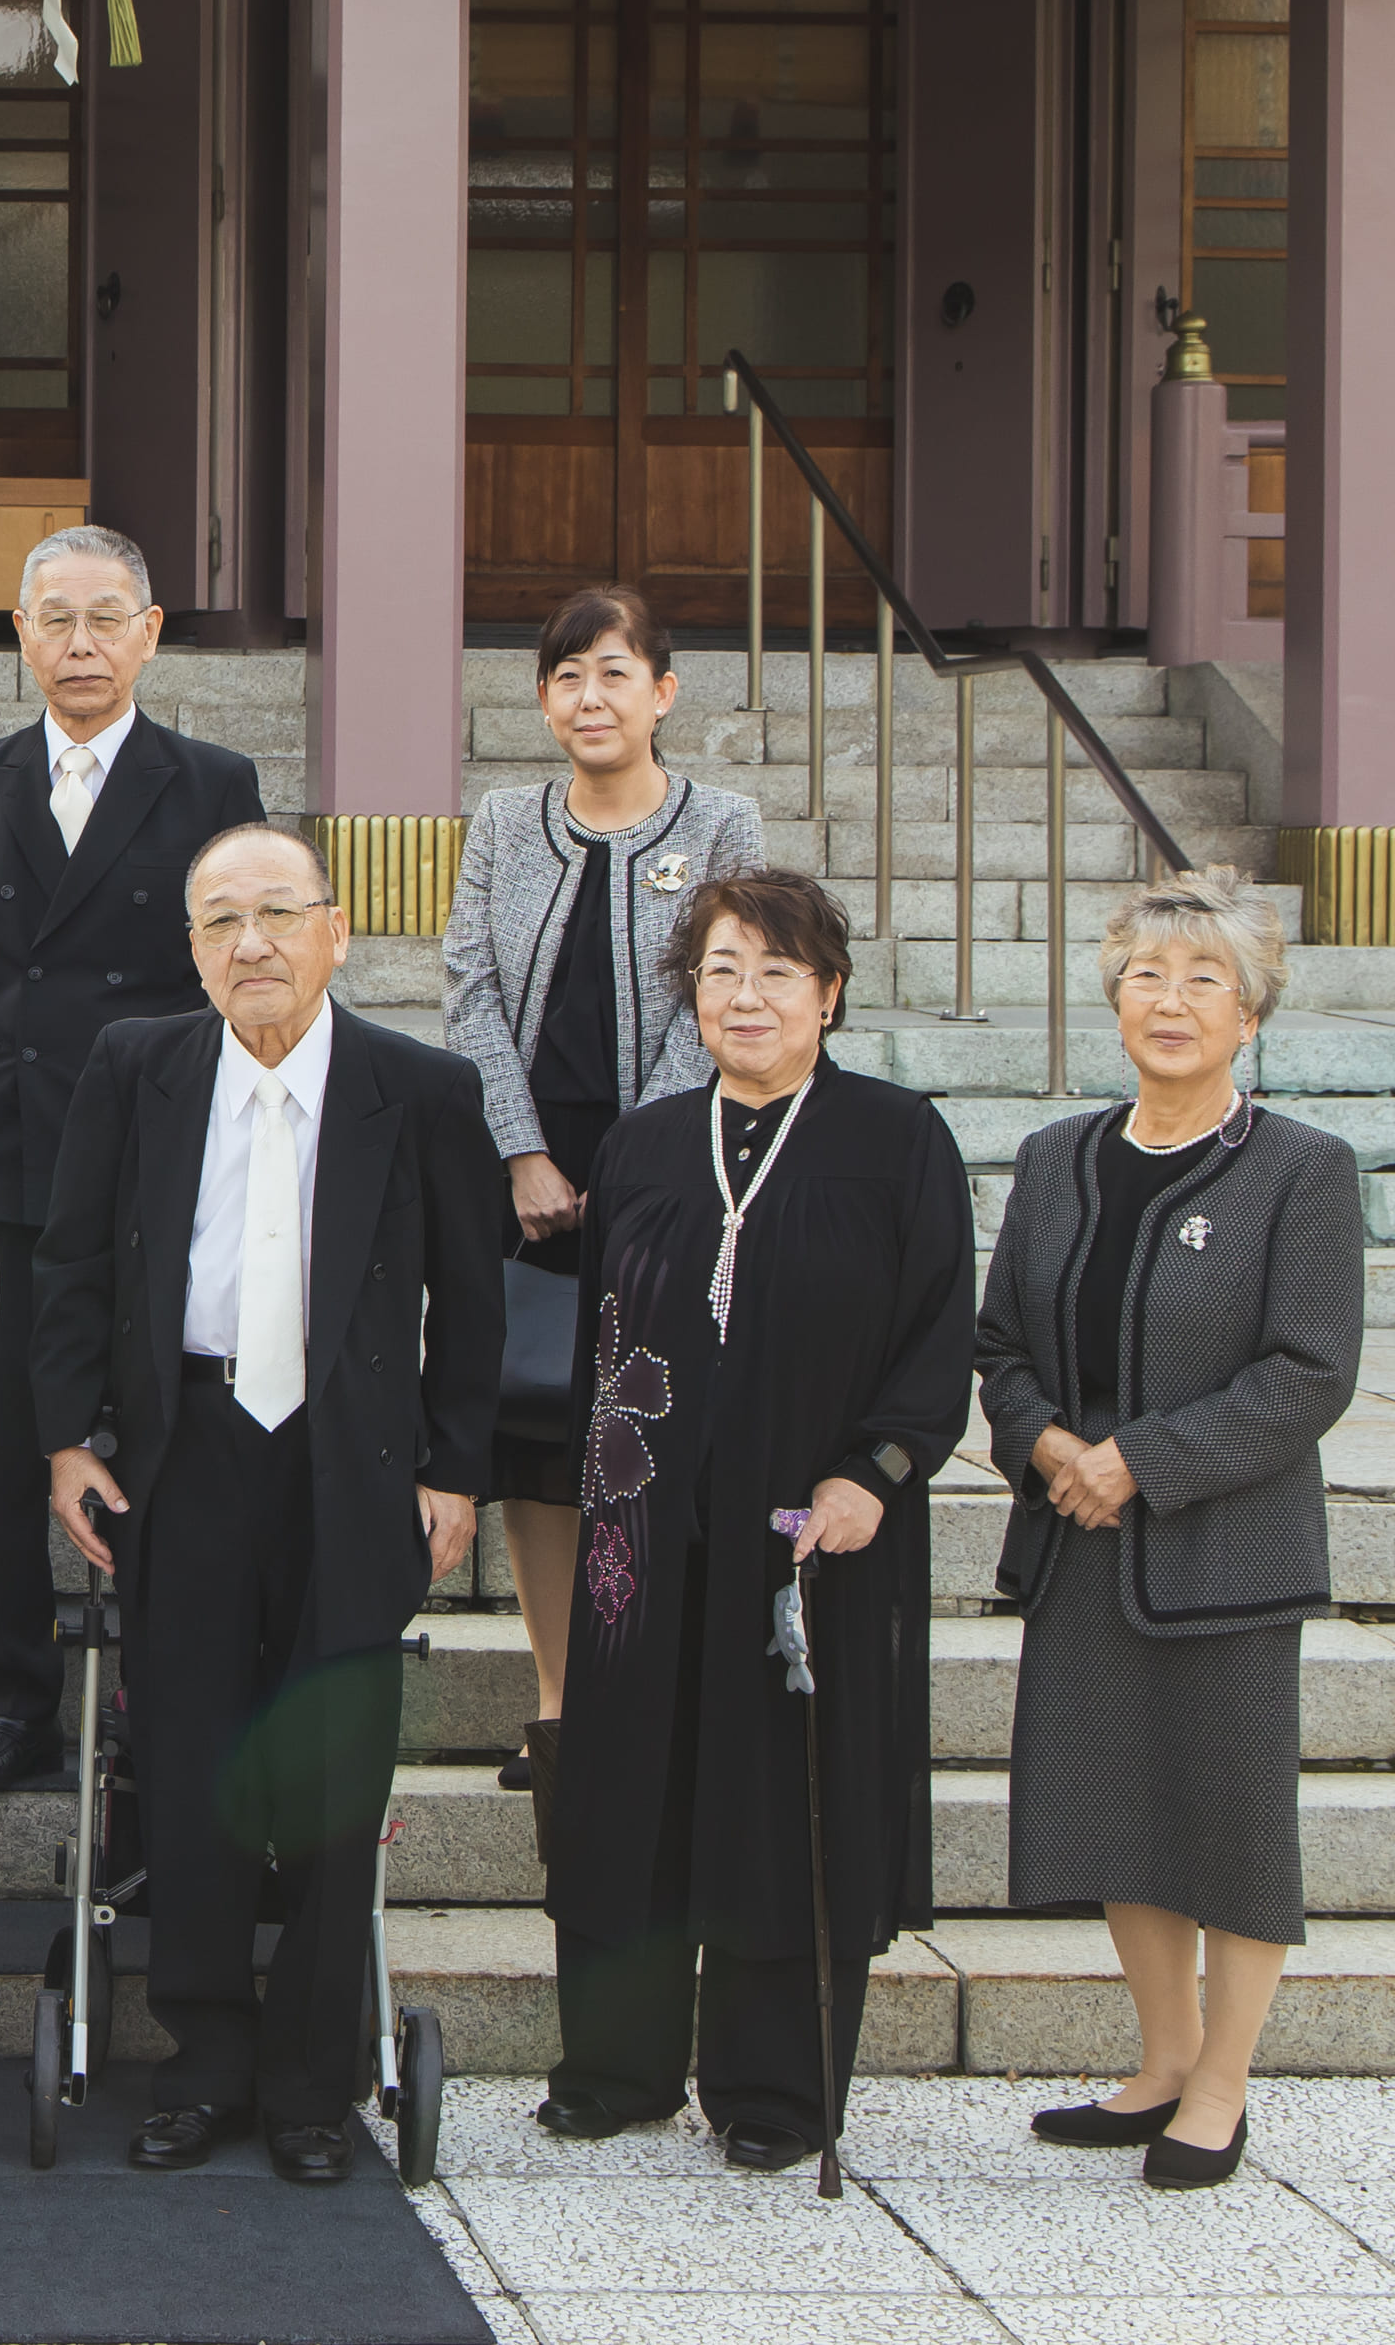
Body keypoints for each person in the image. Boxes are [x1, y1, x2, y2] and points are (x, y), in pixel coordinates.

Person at [33, 823, 508, 2182]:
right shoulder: (139, 1066)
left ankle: (311, 2082)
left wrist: (453, 1466)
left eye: (278, 913)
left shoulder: (418, 1087)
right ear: (191, 946)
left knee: (332, 1781)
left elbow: (470, 1303)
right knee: (188, 1769)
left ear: (335, 928)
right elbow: (69, 1260)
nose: (252, 942)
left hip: (350, 1462)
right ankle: (208, 2058)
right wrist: (71, 1439)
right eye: (220, 920)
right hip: (185, 1452)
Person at [536, 870, 972, 2172]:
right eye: (723, 968)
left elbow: (937, 1336)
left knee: (786, 1799)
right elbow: (600, 1350)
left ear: (829, 991)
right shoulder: (645, 1143)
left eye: (778, 970)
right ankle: (617, 2063)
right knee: (632, 1792)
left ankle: (774, 2087)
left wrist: (873, 1471)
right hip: (646, 1541)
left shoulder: (897, 1138)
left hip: (813, 1534)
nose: (748, 994)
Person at [979, 869, 1360, 2189]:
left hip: (1226, 1551)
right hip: (1080, 1545)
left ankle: (1225, 2083)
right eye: (1150, 974)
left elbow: (1307, 1371)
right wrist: (1042, 1440)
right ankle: (1161, 2057)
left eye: (1207, 979)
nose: (1175, 999)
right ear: (1114, 994)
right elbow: (1003, 1342)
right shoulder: (1057, 1158)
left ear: (1251, 1012)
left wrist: (1139, 1459)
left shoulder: (1300, 1170)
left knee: (1232, 1821)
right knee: (1116, 1807)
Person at [0, 524, 264, 1787]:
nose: (79, 643)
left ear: (150, 633)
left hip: (153, 1140)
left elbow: (239, 973)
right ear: (20, 633)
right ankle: (11, 1685)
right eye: (53, 618)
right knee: (1, 1426)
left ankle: (159, 1688)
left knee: (157, 1416)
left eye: (106, 617)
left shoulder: (212, 780)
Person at [440, 585, 763, 1811]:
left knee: (647, 1430)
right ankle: (563, 1703)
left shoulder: (721, 821)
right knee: (534, 1444)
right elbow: (468, 987)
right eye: (568, 675)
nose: (591, 697)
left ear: (663, 692)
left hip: (668, 1172)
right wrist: (520, 1150)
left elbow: (720, 999)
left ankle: (651, 1697)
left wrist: (644, 1167)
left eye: (615, 672)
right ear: (542, 699)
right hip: (523, 1176)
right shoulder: (504, 821)